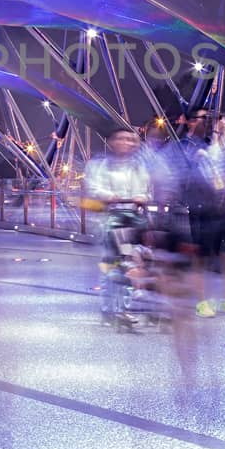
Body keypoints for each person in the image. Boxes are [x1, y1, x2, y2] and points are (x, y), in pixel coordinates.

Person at [178, 109, 225, 316]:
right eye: (206, 118)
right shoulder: (186, 146)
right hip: (200, 208)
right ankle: (201, 300)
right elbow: (197, 173)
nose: (212, 122)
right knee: (202, 256)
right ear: (191, 121)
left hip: (221, 206)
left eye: (215, 118)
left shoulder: (217, 143)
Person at [83, 128, 150, 323]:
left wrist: (142, 197)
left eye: (130, 139)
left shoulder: (139, 167)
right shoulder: (99, 165)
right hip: (108, 222)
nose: (126, 143)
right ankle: (109, 308)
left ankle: (122, 308)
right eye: (121, 138)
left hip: (129, 223)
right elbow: (93, 188)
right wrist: (109, 196)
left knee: (126, 263)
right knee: (110, 264)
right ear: (111, 142)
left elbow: (147, 191)